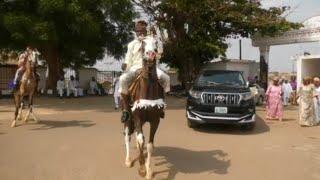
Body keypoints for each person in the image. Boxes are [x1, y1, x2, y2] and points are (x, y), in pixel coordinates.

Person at [119, 20, 170, 121]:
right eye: (138, 31)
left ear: (146, 31)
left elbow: (159, 51)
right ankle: (125, 110)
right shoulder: (131, 45)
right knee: (122, 79)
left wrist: (156, 36)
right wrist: (125, 65)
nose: (140, 33)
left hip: (151, 67)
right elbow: (128, 59)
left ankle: (161, 106)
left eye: (143, 31)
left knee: (166, 78)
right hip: (135, 68)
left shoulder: (151, 41)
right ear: (136, 32)